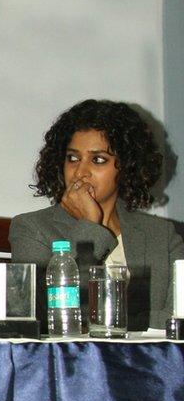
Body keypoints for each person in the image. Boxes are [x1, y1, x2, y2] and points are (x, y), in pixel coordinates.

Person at [10, 99, 184, 330]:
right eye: (72, 158)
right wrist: (90, 226)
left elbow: (177, 320)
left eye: (98, 160)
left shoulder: (162, 235)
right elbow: (47, 317)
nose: (80, 172)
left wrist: (110, 321)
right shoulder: (31, 229)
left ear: (127, 166)